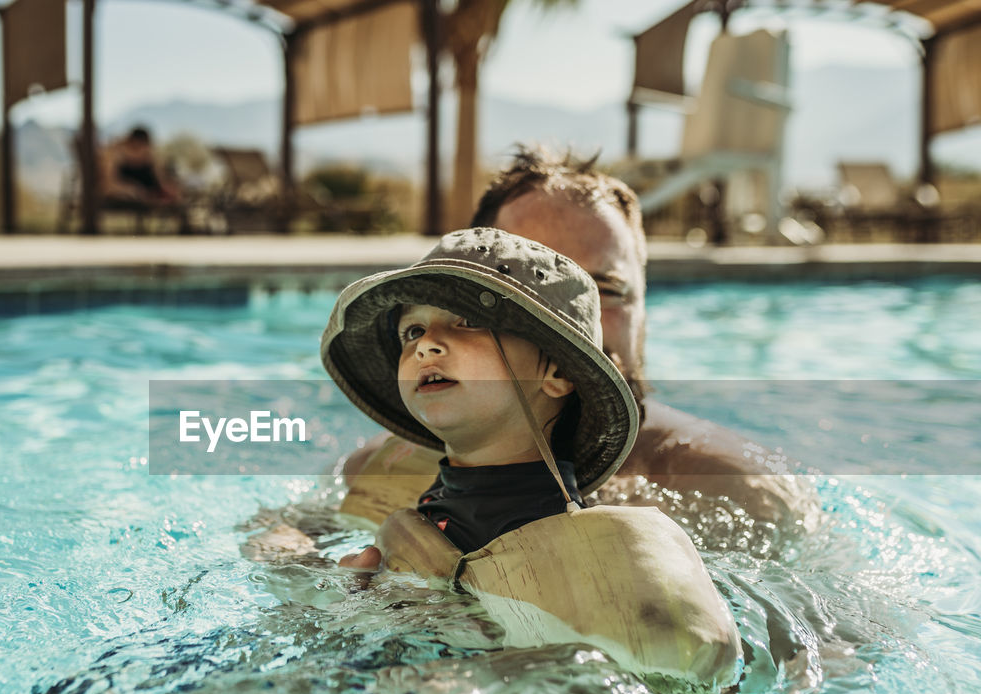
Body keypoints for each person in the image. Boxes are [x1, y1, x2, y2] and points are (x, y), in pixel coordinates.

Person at [324, 227, 741, 684]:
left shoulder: (607, 555)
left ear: (557, 372)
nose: (426, 344)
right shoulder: (413, 513)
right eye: (413, 330)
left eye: (467, 321)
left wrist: (484, 677)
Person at [340, 145, 819, 533]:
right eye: (525, 293)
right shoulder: (372, 472)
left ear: (645, 309)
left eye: (602, 291)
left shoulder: (740, 488)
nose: (569, 323)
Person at [100, 126, 180, 208]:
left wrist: (168, 190)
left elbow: (161, 183)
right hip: (122, 198)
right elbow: (107, 187)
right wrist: (130, 190)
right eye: (134, 148)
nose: (138, 155)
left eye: (142, 148)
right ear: (128, 144)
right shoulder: (114, 156)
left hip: (148, 200)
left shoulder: (150, 157)